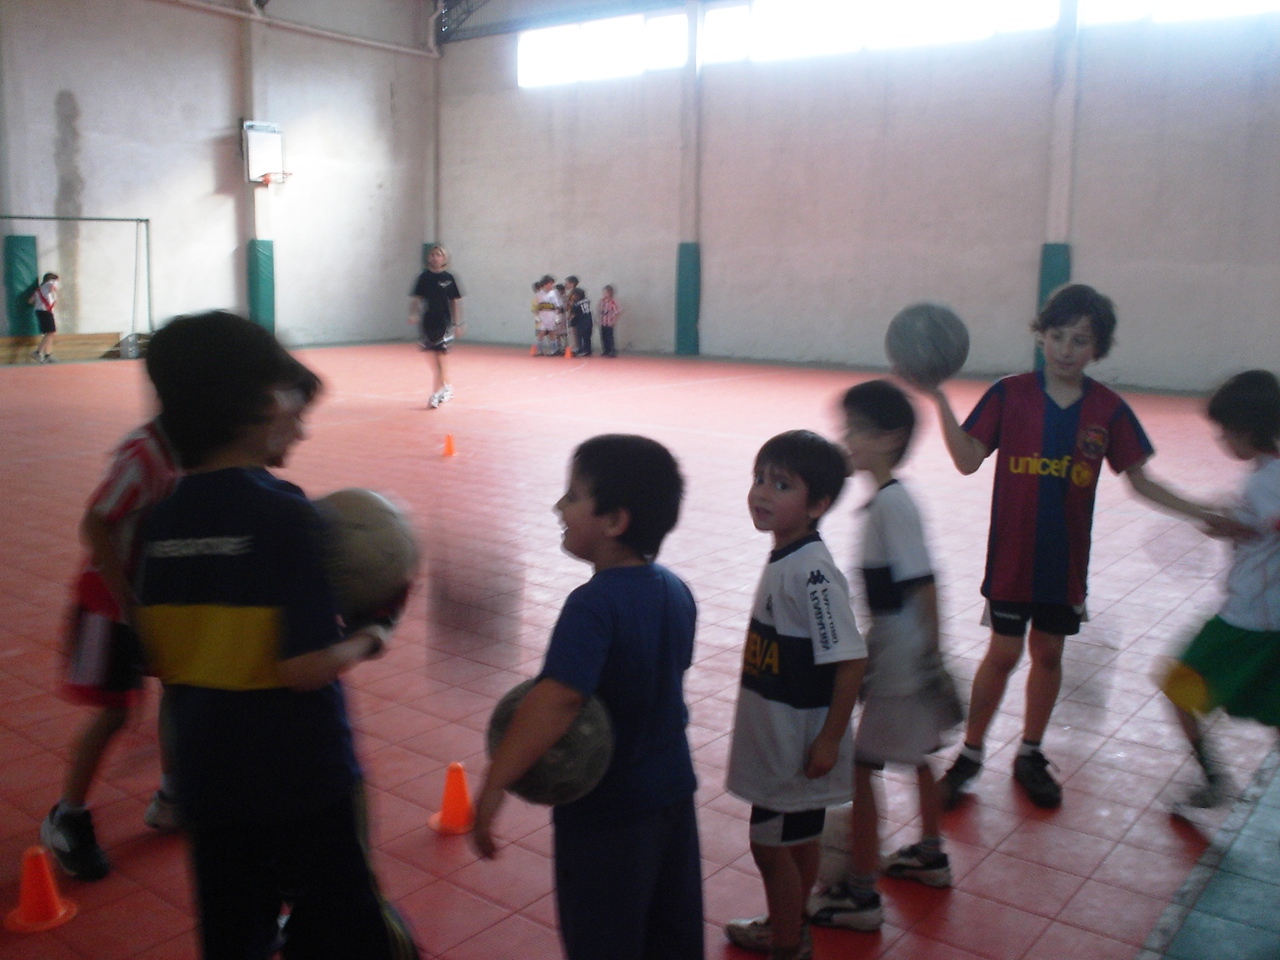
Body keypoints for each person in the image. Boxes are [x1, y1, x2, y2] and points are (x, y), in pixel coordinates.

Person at [134, 311, 418, 960]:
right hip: (302, 777)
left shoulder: (162, 518)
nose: (303, 417)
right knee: (348, 919)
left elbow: (155, 655)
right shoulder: (285, 514)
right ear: (257, 404)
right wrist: (376, 631)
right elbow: (306, 667)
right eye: (292, 397)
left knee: (235, 930)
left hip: (208, 778)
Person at [916, 284, 1243, 809]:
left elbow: (1141, 479)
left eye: (1081, 340)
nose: (1067, 348)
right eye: (1058, 336)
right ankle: (970, 755)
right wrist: (939, 400)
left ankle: (1030, 752)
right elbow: (968, 458)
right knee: (1001, 653)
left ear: (1098, 349)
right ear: (1041, 336)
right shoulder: (1008, 394)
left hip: (1064, 563)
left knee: (1047, 653)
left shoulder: (1107, 409)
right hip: (1012, 558)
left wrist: (1201, 511)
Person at [472, 435, 703, 960]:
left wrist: (494, 785)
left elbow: (557, 701)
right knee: (670, 936)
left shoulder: (592, 606)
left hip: (608, 816)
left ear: (615, 521)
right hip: (671, 795)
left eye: (572, 496)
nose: (559, 507)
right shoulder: (676, 590)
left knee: (604, 940)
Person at [808, 381, 958, 932]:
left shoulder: (892, 506)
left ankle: (860, 894)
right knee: (919, 755)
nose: (844, 440)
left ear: (888, 437)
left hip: (902, 660)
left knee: (861, 766)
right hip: (901, 654)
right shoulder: (890, 501)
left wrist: (928, 659)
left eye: (852, 430)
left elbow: (924, 584)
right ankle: (931, 854)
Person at [724, 430, 867, 960]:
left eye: (781, 484)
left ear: (818, 505)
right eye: (759, 478)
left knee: (769, 846)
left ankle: (785, 944)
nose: (762, 492)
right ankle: (792, 924)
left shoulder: (810, 574)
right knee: (798, 840)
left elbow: (850, 659)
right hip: (782, 738)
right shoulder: (789, 557)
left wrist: (829, 739)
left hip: (796, 745)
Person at [40, 410, 182, 880]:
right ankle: (68, 816)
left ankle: (173, 795)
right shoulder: (143, 454)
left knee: (177, 689)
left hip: (153, 599)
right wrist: (128, 603)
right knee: (115, 712)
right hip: (109, 603)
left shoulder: (196, 446)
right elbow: (95, 524)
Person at [1159, 369, 1280, 810]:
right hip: (1269, 621)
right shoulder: (1268, 475)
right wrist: (1237, 526)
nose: (1221, 440)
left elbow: (1270, 521)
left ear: (1244, 432)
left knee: (1176, 687)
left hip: (1247, 622)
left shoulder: (1263, 482)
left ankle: (1214, 778)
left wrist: (1232, 524)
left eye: (1223, 432)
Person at [408, 243, 464, 408]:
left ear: (444, 258)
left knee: (440, 358)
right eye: (432, 255)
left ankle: (435, 394)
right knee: (435, 360)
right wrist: (413, 314)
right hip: (428, 322)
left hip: (444, 323)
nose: (435, 257)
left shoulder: (449, 278)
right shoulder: (424, 277)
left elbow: (455, 301)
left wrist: (458, 322)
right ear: (428, 258)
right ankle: (447, 387)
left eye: (438, 255)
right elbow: (416, 299)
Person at [29, 271, 59, 363]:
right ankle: (38, 352)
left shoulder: (39, 289)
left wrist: (39, 303)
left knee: (48, 333)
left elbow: (30, 301)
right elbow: (53, 285)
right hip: (46, 311)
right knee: (50, 332)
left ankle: (47, 354)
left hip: (39, 311)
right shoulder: (49, 284)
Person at [598, 285, 622, 358]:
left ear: (611, 293)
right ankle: (606, 350)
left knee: (610, 337)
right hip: (603, 321)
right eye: (604, 292)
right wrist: (599, 319)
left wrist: (614, 320)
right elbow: (599, 310)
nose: (605, 294)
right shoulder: (602, 301)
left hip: (609, 321)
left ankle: (612, 350)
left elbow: (617, 312)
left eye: (607, 293)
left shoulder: (613, 302)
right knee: (603, 336)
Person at [569, 287, 594, 357]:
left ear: (577, 295)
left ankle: (582, 349)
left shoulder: (576, 305)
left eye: (574, 295)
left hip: (582, 321)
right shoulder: (587, 301)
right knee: (587, 337)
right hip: (589, 320)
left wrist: (570, 320)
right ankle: (587, 350)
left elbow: (573, 315)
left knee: (581, 336)